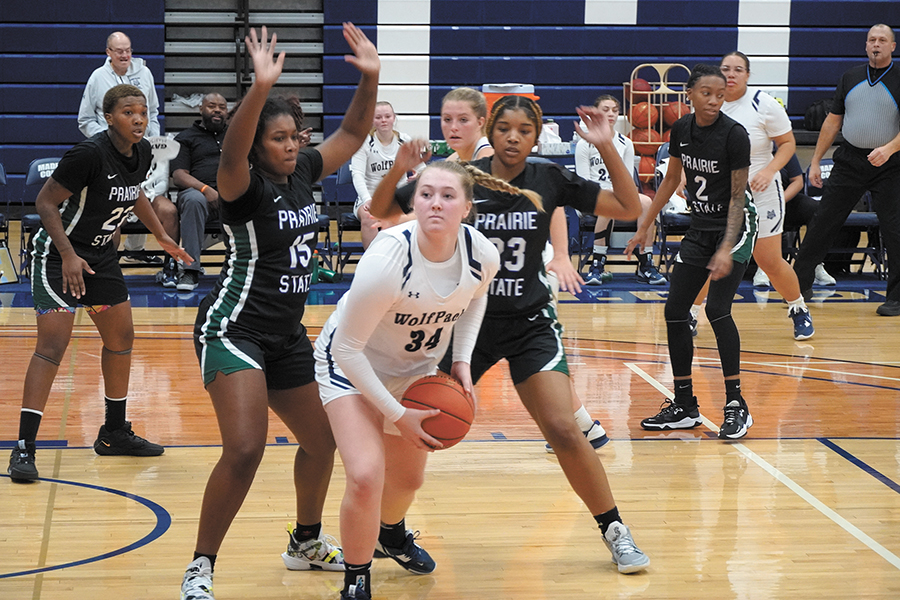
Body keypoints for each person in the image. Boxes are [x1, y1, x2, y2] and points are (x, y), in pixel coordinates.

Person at [372, 94, 650, 575]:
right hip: (463, 324)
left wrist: (606, 147)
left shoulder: (550, 177)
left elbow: (628, 207)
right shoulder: (460, 180)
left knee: (564, 428)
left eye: (525, 130)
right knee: (415, 428)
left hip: (529, 324)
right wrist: (400, 170)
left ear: (537, 135)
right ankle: (389, 530)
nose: (515, 137)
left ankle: (614, 529)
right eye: (506, 128)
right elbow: (383, 210)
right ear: (491, 131)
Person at [178, 25, 380, 600]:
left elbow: (353, 131)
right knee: (244, 449)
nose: (291, 146)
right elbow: (234, 147)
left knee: (323, 443)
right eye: (280, 139)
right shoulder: (242, 184)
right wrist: (259, 92)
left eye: (296, 137)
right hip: (232, 328)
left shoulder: (305, 174)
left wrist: (370, 77)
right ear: (261, 145)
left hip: (287, 335)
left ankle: (305, 543)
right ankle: (201, 566)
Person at [318, 154, 501, 600]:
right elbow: (346, 348)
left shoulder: (482, 254)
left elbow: (474, 300)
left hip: (415, 370)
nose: (435, 203)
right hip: (349, 366)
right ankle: (357, 579)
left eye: (447, 195)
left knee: (408, 482)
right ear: (414, 202)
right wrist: (397, 414)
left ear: (467, 206)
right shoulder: (387, 259)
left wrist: (461, 360)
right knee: (365, 474)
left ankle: (391, 533)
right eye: (425, 194)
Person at [7, 84, 191, 483]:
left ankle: (113, 432)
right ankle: (24, 447)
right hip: (58, 258)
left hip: (101, 257)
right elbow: (44, 202)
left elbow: (135, 194)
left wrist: (160, 234)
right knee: (52, 347)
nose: (138, 119)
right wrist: (69, 255)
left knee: (121, 338)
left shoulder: (142, 153)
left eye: (142, 112)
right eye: (128, 112)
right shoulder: (89, 153)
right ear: (109, 118)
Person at [626, 64, 757, 440]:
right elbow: (670, 179)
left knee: (716, 309)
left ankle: (735, 404)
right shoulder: (682, 129)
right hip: (701, 228)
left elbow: (736, 197)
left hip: (737, 226)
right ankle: (684, 404)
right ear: (690, 94)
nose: (715, 100)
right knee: (674, 311)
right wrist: (645, 223)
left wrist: (727, 248)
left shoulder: (735, 135)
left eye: (720, 94)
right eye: (706, 93)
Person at [695, 52, 812, 340]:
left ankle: (798, 308)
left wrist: (769, 170)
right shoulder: (710, 104)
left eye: (738, 69)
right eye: (726, 69)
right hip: (723, 195)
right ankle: (692, 313)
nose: (731, 74)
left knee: (769, 260)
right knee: (709, 256)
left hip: (761, 192)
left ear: (748, 74)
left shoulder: (764, 104)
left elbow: (787, 143)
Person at [794, 23, 900, 317]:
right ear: (865, 45)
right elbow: (832, 121)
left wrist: (889, 148)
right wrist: (815, 160)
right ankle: (798, 285)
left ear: (893, 46)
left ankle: (896, 298)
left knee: (895, 229)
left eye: (882, 40)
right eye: (871, 40)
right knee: (823, 220)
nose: (876, 44)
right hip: (850, 160)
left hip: (890, 164)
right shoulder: (850, 77)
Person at [78, 32, 163, 266]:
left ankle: (136, 250)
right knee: (113, 201)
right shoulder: (98, 77)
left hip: (140, 149)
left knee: (139, 194)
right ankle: (105, 259)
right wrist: (107, 142)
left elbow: (153, 111)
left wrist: (151, 139)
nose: (125, 55)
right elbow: (85, 119)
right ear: (108, 53)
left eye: (128, 50)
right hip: (109, 151)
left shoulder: (145, 73)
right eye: (119, 51)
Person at [574, 95, 666, 285]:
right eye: (605, 109)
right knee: (608, 202)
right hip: (590, 196)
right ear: (595, 113)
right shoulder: (584, 143)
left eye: (615, 110)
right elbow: (582, 183)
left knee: (647, 202)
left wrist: (624, 196)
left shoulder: (626, 143)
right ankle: (597, 264)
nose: (611, 114)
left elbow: (626, 181)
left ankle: (646, 263)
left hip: (617, 195)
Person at [159, 92, 228, 291]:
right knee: (194, 199)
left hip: (231, 195)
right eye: (211, 106)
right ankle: (190, 270)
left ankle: (249, 269)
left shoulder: (236, 135)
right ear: (201, 109)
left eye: (221, 107)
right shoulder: (186, 138)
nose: (217, 110)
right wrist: (206, 189)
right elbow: (179, 175)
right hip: (199, 195)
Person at [349, 101, 423, 249]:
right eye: (378, 117)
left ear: (394, 118)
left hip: (399, 198)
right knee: (370, 218)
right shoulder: (364, 143)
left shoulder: (404, 140)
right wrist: (367, 200)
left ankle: (406, 258)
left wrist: (419, 175)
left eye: (387, 116)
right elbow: (357, 175)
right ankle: (372, 261)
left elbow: (422, 168)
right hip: (370, 195)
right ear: (372, 120)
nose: (383, 120)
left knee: (417, 214)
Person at [440, 87, 494, 162]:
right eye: (447, 119)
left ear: (480, 123)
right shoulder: (454, 159)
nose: (453, 127)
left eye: (463, 120)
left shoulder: (487, 156)